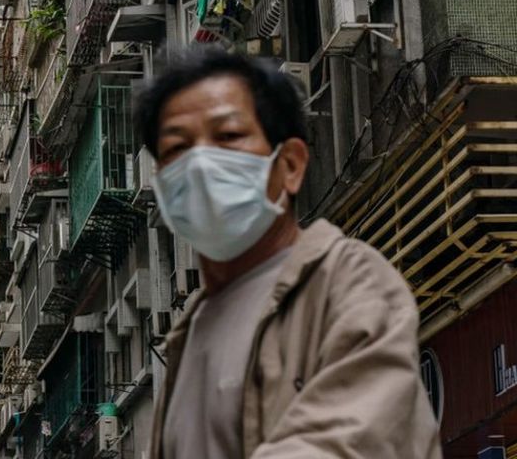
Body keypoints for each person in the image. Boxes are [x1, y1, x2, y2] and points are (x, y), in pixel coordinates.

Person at [139, 47, 442, 459]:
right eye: (176, 149)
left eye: (228, 136)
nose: (200, 164)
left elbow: (348, 441)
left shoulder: (347, 280)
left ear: (291, 165)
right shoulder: (187, 336)